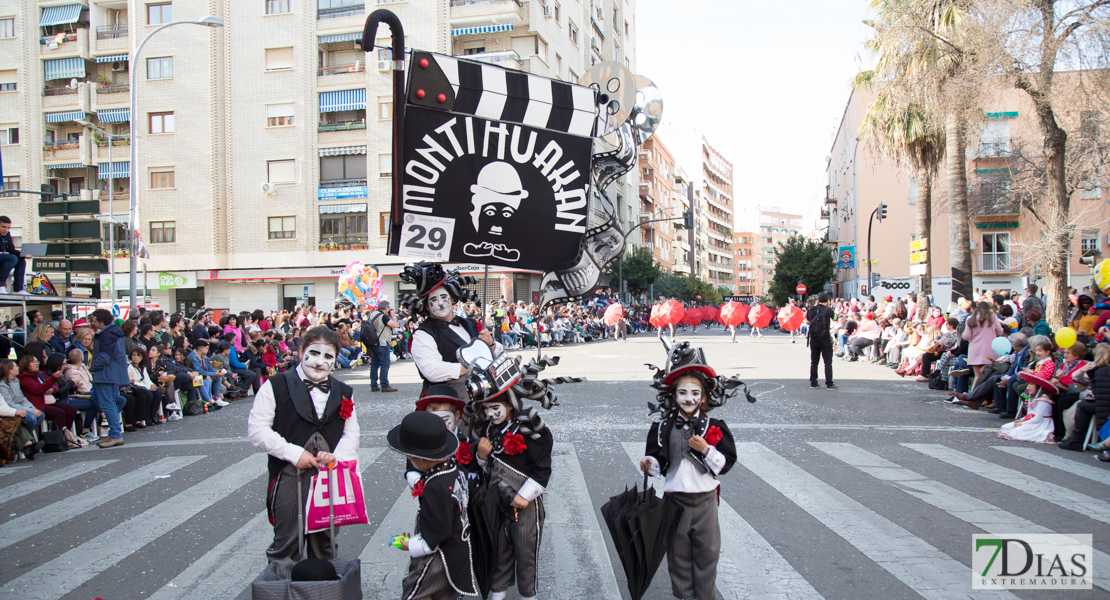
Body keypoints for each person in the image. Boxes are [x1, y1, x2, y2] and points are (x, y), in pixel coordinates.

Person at [247, 326, 360, 563]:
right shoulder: (276, 385)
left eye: (328, 356)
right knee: (287, 542)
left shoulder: (344, 391)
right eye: (314, 353)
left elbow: (351, 433)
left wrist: (337, 456)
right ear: (300, 352)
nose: (320, 362)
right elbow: (257, 429)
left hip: (329, 477)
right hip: (288, 473)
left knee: (326, 545)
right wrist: (292, 452)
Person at [639, 342, 741, 600]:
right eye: (682, 393)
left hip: (705, 503)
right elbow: (660, 461)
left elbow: (726, 463)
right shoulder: (662, 427)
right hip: (675, 503)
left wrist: (706, 450)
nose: (688, 398)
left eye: (694, 393)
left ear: (704, 396)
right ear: (673, 396)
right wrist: (650, 464)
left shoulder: (714, 426)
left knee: (707, 556)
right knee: (679, 558)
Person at [389, 411, 478, 600]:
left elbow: (436, 535)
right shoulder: (454, 469)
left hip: (438, 558)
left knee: (415, 593)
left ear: (420, 458)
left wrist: (409, 544)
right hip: (457, 550)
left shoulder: (436, 486)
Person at [404, 262, 501, 396]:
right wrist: (473, 368)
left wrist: (491, 344)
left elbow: (498, 357)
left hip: (483, 394)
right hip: (448, 399)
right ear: (427, 306)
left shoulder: (471, 324)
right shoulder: (423, 334)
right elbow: (432, 371)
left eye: (444, 297)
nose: (440, 304)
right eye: (434, 300)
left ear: (452, 299)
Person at [88, 308, 128, 448]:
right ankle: (114, 432)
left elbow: (104, 356)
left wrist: (92, 368)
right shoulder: (115, 333)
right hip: (113, 372)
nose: (92, 323)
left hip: (105, 373)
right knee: (110, 402)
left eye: (94, 320)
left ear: (101, 321)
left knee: (107, 404)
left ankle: (115, 434)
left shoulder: (106, 334)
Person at [366, 300, 399, 392]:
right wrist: (392, 316)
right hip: (382, 342)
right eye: (388, 308)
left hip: (373, 342)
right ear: (385, 308)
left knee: (374, 364)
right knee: (385, 364)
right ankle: (384, 385)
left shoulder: (371, 314)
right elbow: (395, 325)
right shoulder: (383, 317)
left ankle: (373, 385)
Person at [806, 293, 836, 390]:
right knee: (827, 362)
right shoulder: (828, 310)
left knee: (814, 362)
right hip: (825, 339)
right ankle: (829, 384)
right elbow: (836, 317)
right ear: (828, 301)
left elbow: (807, 319)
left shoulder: (811, 310)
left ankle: (813, 382)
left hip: (814, 339)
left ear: (818, 300)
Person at [0, 216, 30, 295]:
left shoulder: (7, 235)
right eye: (3, 227)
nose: (5, 230)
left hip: (3, 257)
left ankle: (18, 290)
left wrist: (23, 255)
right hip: (3, 257)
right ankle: (0, 285)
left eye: (8, 228)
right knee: (12, 258)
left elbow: (11, 250)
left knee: (21, 260)